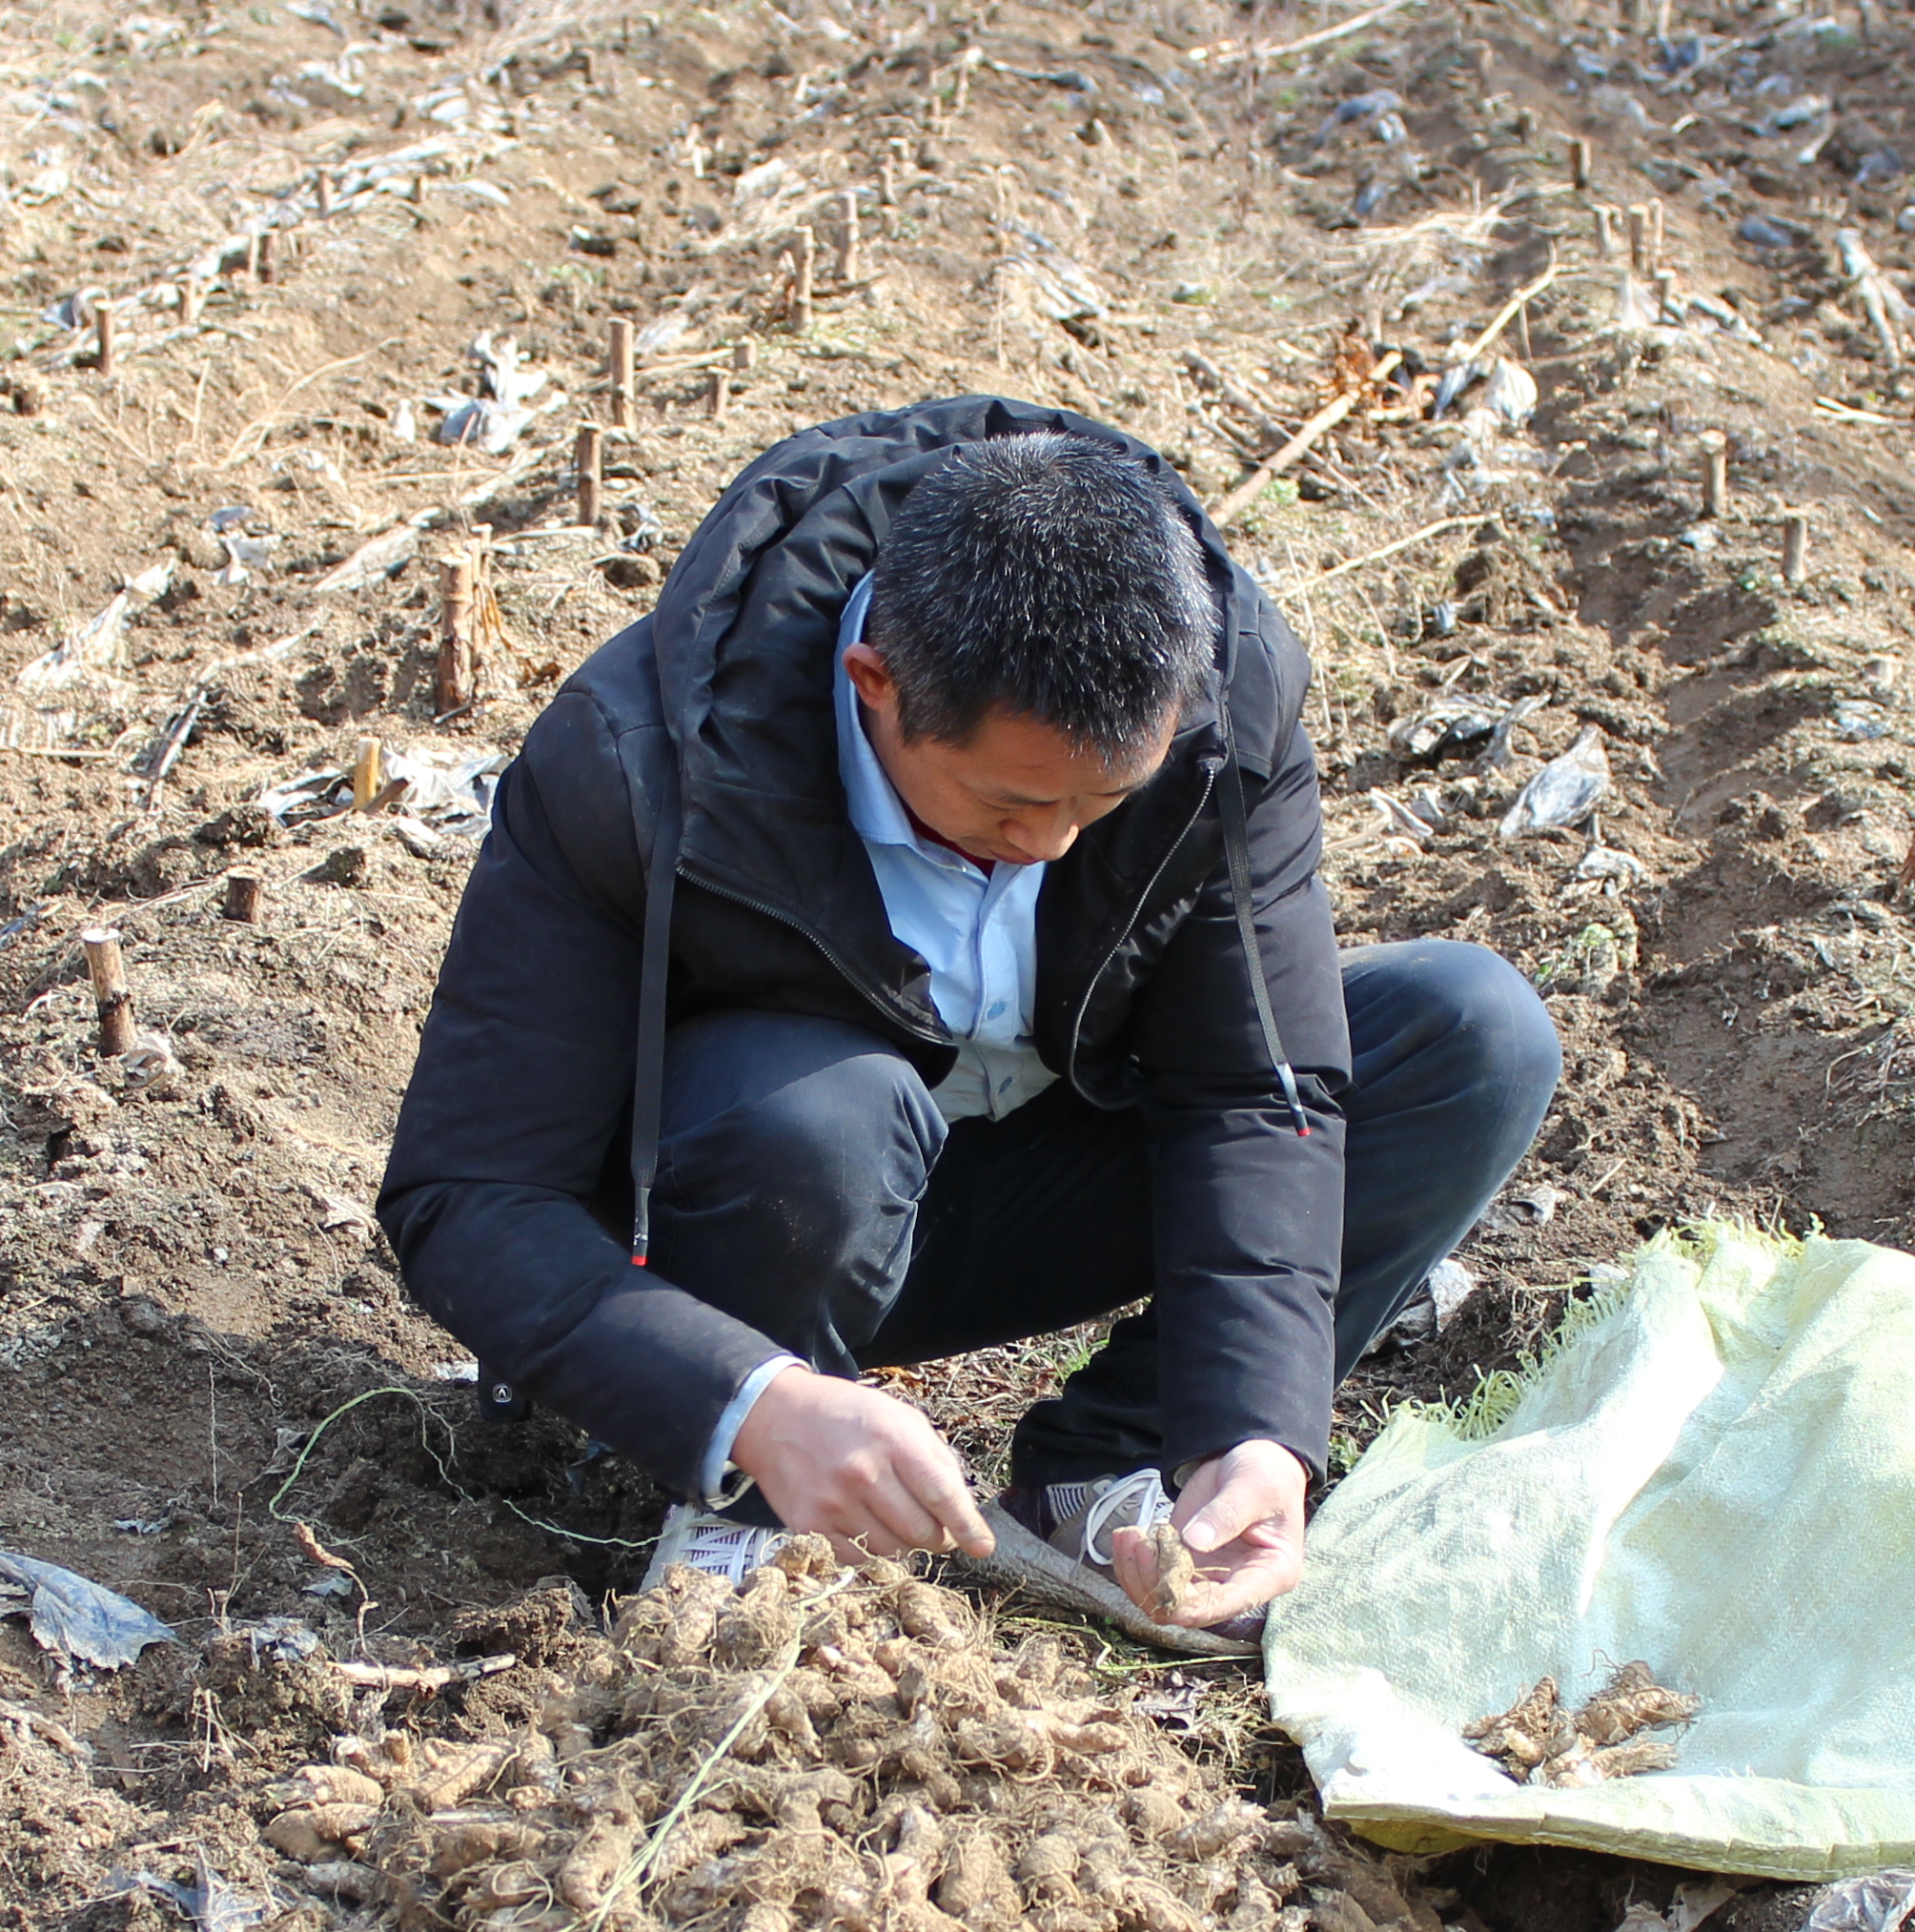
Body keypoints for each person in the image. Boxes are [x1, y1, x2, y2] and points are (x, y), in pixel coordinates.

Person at [376, 395, 1558, 1637]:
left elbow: (1253, 1085)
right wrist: (750, 1398)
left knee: (1469, 1037)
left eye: (1101, 805)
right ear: (873, 683)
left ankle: (1124, 1463)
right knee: (825, 1125)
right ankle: (743, 1514)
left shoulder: (1223, 711)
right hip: (751, 1223)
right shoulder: (639, 762)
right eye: (1004, 804)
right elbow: (469, 1195)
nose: (1047, 846)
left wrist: (1257, 1423)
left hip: (1021, 1186)